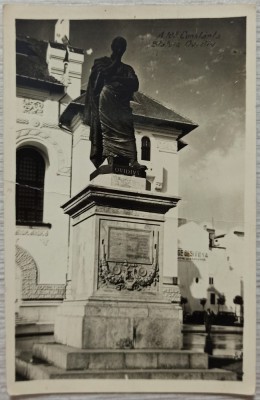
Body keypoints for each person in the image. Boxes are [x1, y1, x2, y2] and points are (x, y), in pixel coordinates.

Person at [83, 36, 146, 170]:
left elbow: (135, 84)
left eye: (122, 47)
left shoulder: (128, 68)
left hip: (122, 105)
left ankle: (133, 160)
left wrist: (117, 77)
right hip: (106, 102)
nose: (120, 49)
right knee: (108, 130)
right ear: (113, 47)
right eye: (118, 46)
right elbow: (100, 78)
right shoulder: (101, 62)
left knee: (128, 130)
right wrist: (115, 62)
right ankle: (109, 157)